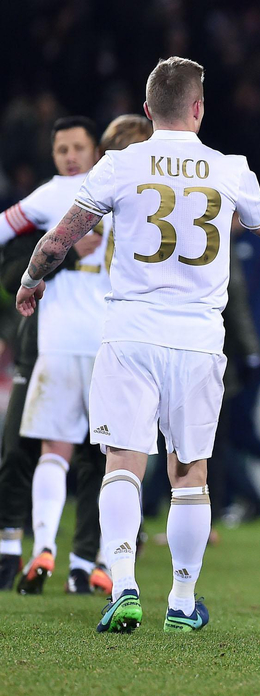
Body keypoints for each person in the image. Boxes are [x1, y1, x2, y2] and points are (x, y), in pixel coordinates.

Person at [15, 56, 260, 634]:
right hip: (198, 339)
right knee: (190, 473)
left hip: (131, 333)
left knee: (123, 464)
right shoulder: (229, 169)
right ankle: (182, 601)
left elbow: (60, 239)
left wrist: (32, 280)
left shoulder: (120, 164)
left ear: (148, 108)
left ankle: (123, 587)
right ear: (199, 108)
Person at [0, 115, 117, 595]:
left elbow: (4, 229)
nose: (69, 157)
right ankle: (92, 561)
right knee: (111, 457)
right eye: (61, 149)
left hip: (66, 339)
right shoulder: (127, 187)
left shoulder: (54, 197)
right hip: (109, 342)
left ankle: (46, 546)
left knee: (56, 451)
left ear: (95, 150)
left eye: (77, 148)